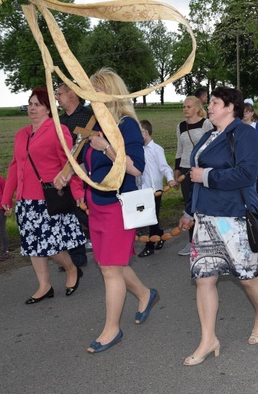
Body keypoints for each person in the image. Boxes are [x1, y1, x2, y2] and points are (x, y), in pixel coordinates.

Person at [177, 86, 258, 365]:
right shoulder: (208, 135)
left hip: (234, 217)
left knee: (246, 276)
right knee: (204, 278)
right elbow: (194, 176)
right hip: (205, 217)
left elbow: (245, 174)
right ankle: (208, 339)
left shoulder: (244, 134)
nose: (211, 107)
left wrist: (206, 175)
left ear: (231, 107)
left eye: (216, 103)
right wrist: (189, 211)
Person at [72, 68, 158, 354]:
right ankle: (146, 294)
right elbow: (93, 166)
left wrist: (107, 147)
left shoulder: (127, 125)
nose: (91, 100)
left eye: (95, 94)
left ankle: (112, 329)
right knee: (113, 264)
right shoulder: (99, 125)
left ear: (109, 93)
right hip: (96, 204)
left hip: (118, 206)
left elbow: (135, 168)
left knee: (110, 268)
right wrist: (72, 171)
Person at [2, 87, 86, 305]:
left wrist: (78, 192)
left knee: (50, 244)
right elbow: (15, 166)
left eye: (37, 104)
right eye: (30, 103)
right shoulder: (21, 134)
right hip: (24, 200)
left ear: (49, 109)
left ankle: (71, 268)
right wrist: (7, 196)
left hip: (48, 198)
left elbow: (70, 165)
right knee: (32, 244)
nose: (32, 108)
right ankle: (44, 286)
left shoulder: (58, 131)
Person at [54, 82, 92, 267]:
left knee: (86, 213)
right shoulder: (58, 121)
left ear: (72, 95)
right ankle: (77, 259)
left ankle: (105, 243)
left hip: (87, 173)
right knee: (69, 215)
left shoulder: (90, 117)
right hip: (64, 174)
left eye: (59, 93)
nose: (56, 97)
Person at [175, 96, 214, 255]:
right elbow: (179, 149)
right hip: (185, 170)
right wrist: (176, 170)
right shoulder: (180, 126)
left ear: (197, 108)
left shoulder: (206, 124)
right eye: (184, 106)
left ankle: (208, 240)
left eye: (189, 106)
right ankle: (192, 243)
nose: (185, 109)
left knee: (203, 205)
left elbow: (212, 146)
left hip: (201, 169)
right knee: (189, 207)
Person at [137, 119, 178, 257]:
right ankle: (160, 234)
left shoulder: (157, 149)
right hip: (143, 190)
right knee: (148, 217)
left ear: (145, 133)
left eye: (138, 132)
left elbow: (164, 167)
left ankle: (150, 246)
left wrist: (171, 179)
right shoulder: (137, 150)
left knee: (151, 218)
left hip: (155, 191)